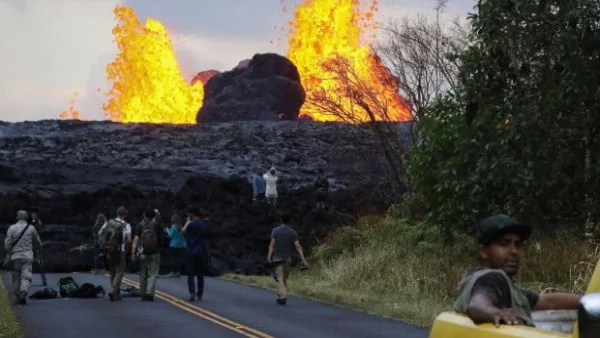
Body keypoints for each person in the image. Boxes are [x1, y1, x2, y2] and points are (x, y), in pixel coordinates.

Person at [453, 214, 583, 327]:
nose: (514, 251)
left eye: (517, 244)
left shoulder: (496, 285)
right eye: (504, 243)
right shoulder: (493, 279)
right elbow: (477, 305)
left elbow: (549, 301)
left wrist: (591, 301)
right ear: (483, 252)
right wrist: (495, 313)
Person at [267, 211, 309, 305]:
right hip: (287, 260)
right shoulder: (293, 232)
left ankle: (282, 295)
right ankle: (279, 296)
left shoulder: (275, 230)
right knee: (283, 278)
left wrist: (269, 256)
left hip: (277, 258)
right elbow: (298, 246)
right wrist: (303, 259)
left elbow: (272, 245)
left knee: (280, 278)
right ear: (290, 221)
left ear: (281, 220)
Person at [4, 210, 43, 305]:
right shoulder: (31, 228)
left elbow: (7, 244)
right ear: (26, 218)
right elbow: (38, 242)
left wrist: (9, 252)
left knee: (16, 277)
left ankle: (17, 295)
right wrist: (37, 250)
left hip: (15, 257)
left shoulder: (12, 228)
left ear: (17, 217)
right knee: (26, 276)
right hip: (27, 256)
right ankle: (23, 291)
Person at [99, 206, 131, 301]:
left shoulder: (108, 223)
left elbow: (100, 234)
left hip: (109, 250)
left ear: (117, 213)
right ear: (124, 214)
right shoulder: (126, 225)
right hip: (120, 251)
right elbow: (129, 240)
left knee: (112, 271)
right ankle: (114, 292)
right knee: (119, 272)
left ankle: (116, 294)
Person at [131, 208, 164, 301]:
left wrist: (133, 253)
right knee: (152, 274)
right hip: (155, 252)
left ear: (144, 215)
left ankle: (142, 292)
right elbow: (162, 240)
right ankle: (149, 293)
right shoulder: (157, 225)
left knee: (143, 273)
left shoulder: (140, 225)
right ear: (154, 216)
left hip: (143, 252)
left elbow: (136, 240)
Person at [182, 206, 209, 301]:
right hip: (200, 251)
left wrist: (188, 221)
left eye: (189, 214)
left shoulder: (191, 224)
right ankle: (200, 293)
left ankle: (192, 292)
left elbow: (183, 231)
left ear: (192, 214)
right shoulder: (203, 224)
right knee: (200, 274)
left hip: (190, 250)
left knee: (190, 273)